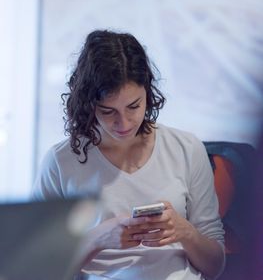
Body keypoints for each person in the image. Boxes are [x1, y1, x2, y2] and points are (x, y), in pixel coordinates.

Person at [32, 30, 225, 280]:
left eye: (134, 106)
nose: (123, 122)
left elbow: (216, 266)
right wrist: (97, 239)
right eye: (108, 111)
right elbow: (37, 268)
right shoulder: (60, 162)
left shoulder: (186, 148)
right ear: (88, 104)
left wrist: (184, 231)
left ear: (148, 93)